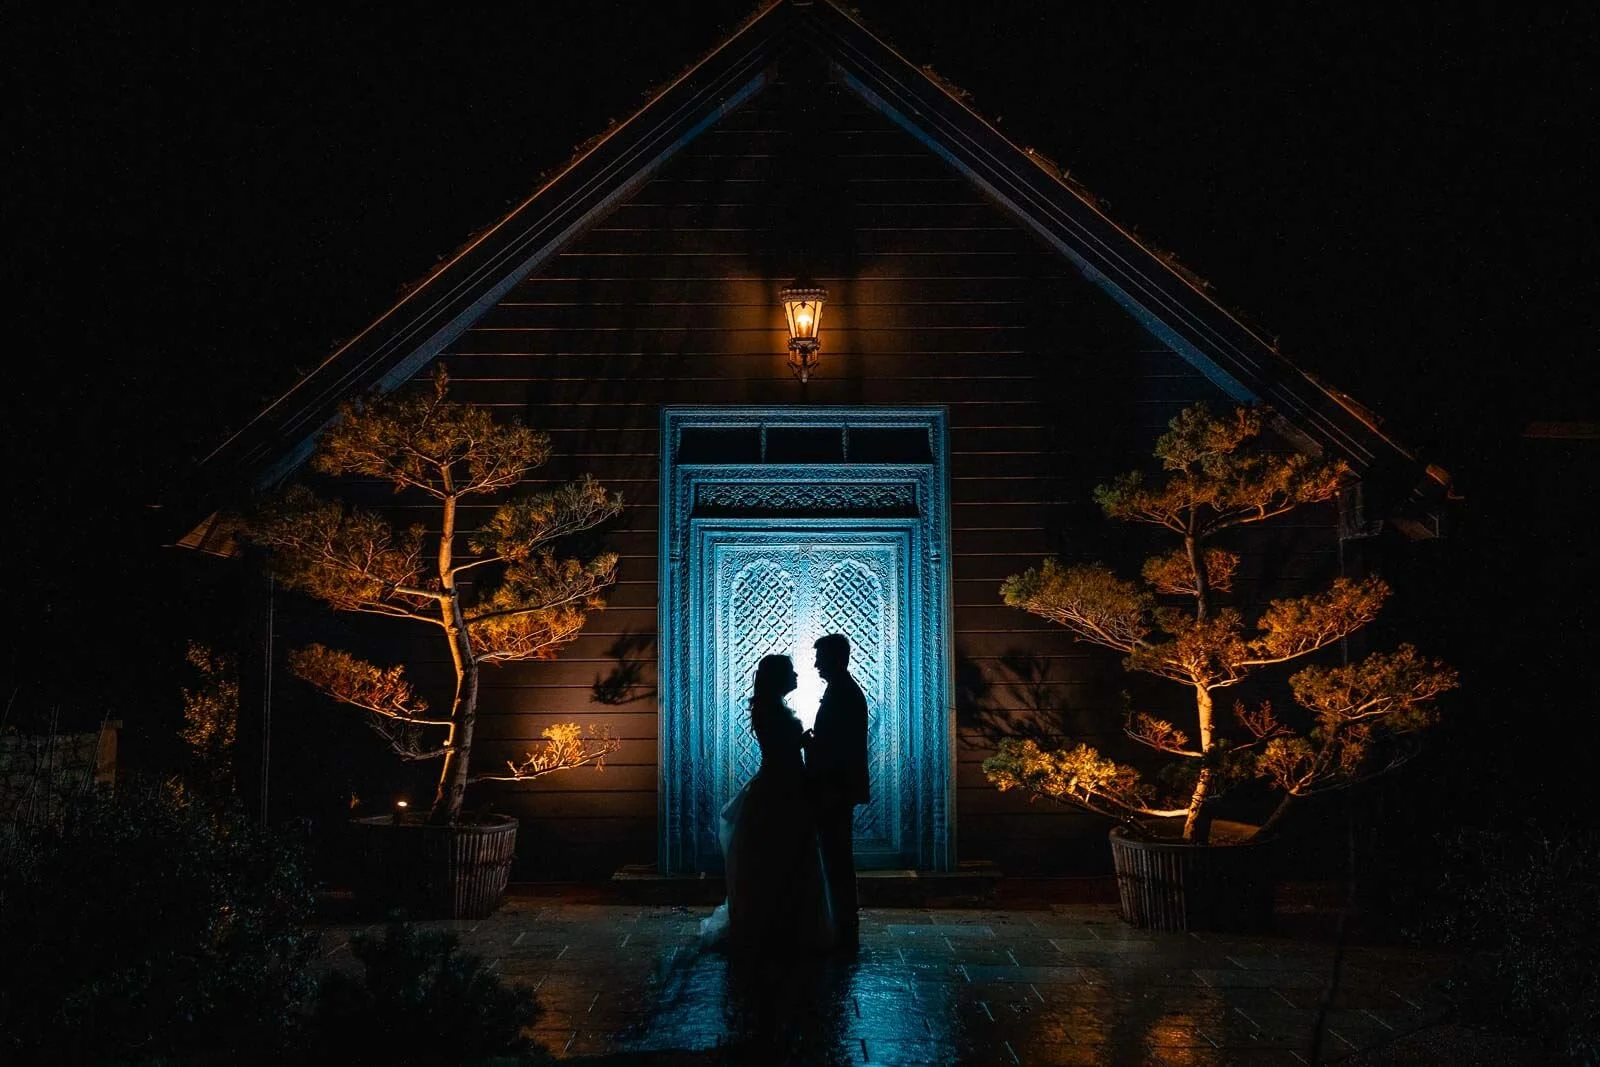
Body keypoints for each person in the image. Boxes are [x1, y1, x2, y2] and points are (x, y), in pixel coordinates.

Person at [699, 654, 833, 956]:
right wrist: (805, 743)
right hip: (782, 788)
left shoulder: (770, 708)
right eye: (791, 671)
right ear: (778, 677)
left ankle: (777, 925)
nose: (797, 675)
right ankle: (784, 927)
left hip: (780, 784)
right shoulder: (771, 710)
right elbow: (781, 749)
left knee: (779, 859)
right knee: (784, 857)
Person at [804, 633, 870, 950]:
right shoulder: (841, 690)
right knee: (836, 852)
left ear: (835, 658)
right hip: (835, 786)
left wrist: (810, 745)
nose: (816, 665)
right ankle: (842, 917)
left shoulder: (844, 694)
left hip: (835, 787)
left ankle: (844, 919)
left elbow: (839, 748)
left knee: (837, 853)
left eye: (821, 658)